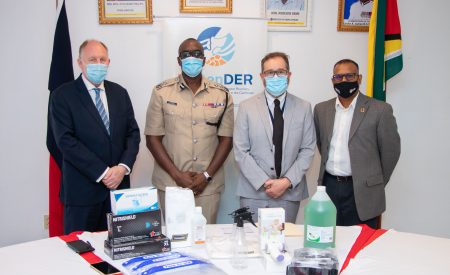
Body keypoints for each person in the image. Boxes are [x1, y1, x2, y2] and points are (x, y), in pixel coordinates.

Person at [50, 39, 140, 234]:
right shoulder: (62, 96)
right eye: (92, 59)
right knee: (81, 255)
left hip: (118, 192)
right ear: (80, 62)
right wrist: (103, 172)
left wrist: (122, 168)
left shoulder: (119, 93)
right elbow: (66, 141)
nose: (98, 64)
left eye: (102, 59)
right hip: (82, 195)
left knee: (119, 254)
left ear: (108, 62)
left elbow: (132, 134)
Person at [145, 38, 233, 224]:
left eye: (196, 54)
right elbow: (152, 139)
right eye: (186, 55)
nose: (191, 58)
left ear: (204, 59)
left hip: (208, 186)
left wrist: (206, 176)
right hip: (171, 183)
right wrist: (177, 175)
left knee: (205, 239)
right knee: (175, 241)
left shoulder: (222, 94)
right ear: (179, 61)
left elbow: (226, 140)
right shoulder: (161, 92)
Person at [314, 59, 400, 229]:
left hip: (362, 190)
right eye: (338, 77)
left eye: (349, 75)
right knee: (328, 239)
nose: (344, 81)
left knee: (362, 245)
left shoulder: (380, 110)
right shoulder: (321, 109)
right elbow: (321, 143)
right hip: (329, 186)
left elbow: (391, 152)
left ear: (359, 78)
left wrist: (374, 181)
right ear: (333, 80)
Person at [233, 52, 316, 223]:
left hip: (289, 192)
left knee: (283, 244)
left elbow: (307, 149)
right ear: (262, 76)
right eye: (270, 72)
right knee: (253, 244)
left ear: (289, 75)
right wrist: (265, 182)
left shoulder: (304, 107)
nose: (275, 76)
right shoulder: (246, 107)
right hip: (253, 193)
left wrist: (286, 182)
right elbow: (241, 151)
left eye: (281, 71)